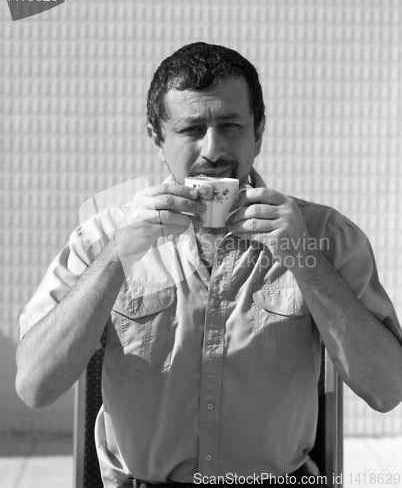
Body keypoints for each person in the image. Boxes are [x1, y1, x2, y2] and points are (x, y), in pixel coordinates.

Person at [16, 42, 402, 488]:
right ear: (157, 138)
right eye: (192, 128)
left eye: (230, 125)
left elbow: (387, 390)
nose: (213, 150)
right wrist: (119, 255)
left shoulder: (324, 234)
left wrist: (305, 259)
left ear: (259, 131)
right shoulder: (103, 234)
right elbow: (35, 386)